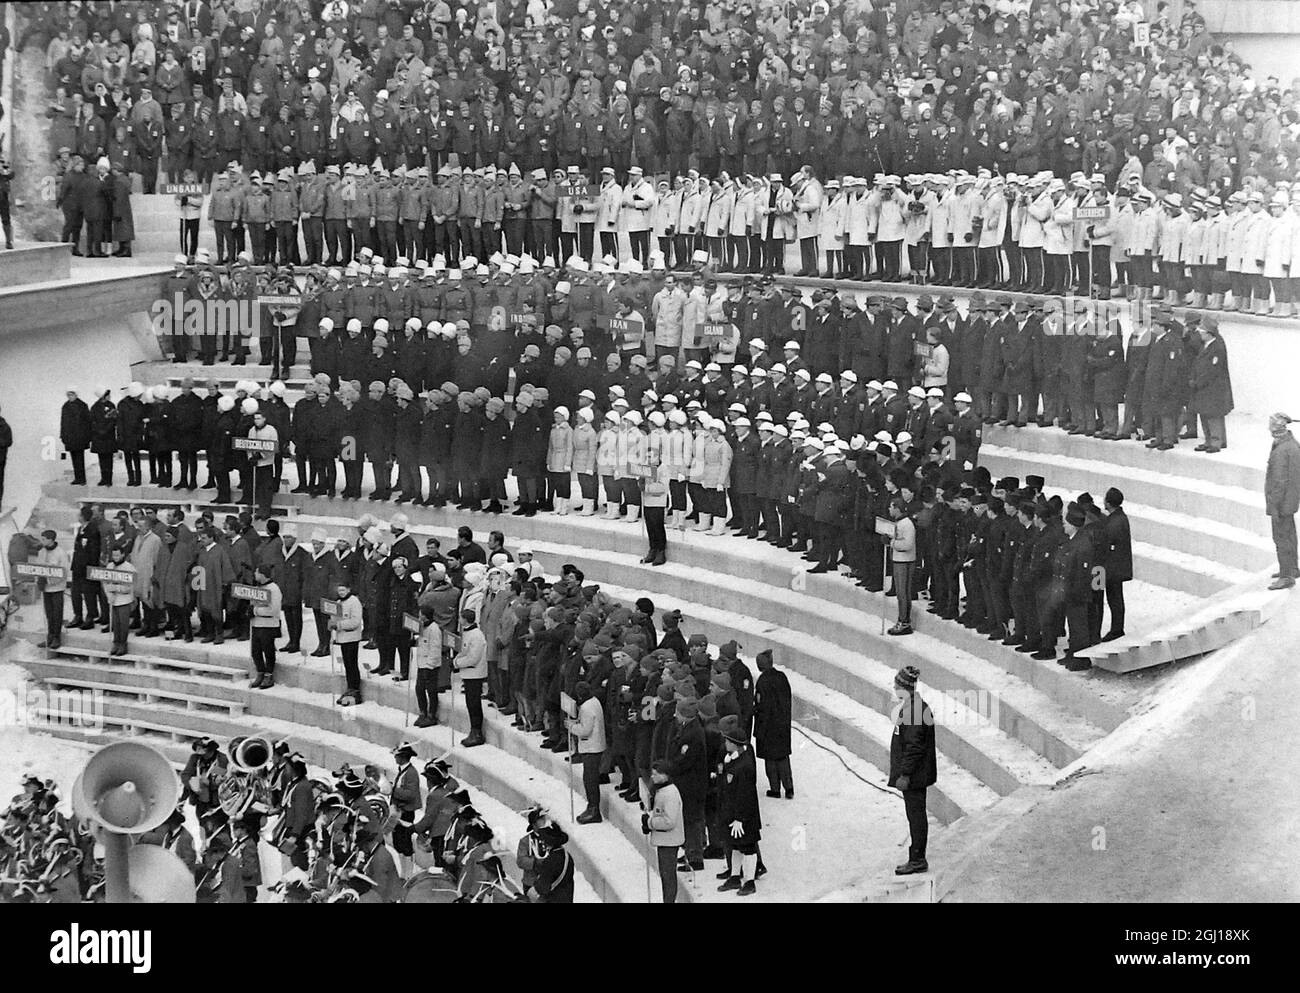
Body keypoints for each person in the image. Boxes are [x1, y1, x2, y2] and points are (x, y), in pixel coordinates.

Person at [889, 665, 937, 876]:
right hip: (916, 774)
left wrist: (905, 774)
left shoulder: (915, 711)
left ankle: (917, 858)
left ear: (904, 687)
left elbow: (914, 747)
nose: (893, 687)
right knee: (915, 815)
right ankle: (916, 856)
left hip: (914, 776)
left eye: (896, 684)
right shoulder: (913, 707)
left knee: (916, 816)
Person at [715, 714, 761, 896]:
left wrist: (740, 818)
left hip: (744, 816)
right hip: (731, 811)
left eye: (728, 741)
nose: (725, 744)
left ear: (734, 743)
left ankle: (749, 881)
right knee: (735, 845)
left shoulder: (744, 766)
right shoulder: (733, 759)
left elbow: (745, 795)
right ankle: (735, 876)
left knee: (748, 847)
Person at [639, 759, 684, 904]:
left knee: (668, 875)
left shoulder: (670, 794)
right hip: (665, 839)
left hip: (669, 841)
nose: (652, 777)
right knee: (666, 875)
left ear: (665, 776)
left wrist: (649, 823)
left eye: (656, 774)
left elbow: (669, 821)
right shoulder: (662, 791)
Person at [752, 648, 793, 799]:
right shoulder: (782, 677)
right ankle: (789, 788)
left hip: (768, 726)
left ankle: (775, 788)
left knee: (771, 759)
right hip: (782, 724)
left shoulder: (762, 682)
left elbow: (761, 705)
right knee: (783, 757)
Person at [1266, 413, 1300, 590]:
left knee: (1281, 538)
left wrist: (1274, 505)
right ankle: (1292, 568)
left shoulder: (1281, 451)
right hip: (1291, 499)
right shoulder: (1292, 444)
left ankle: (1286, 575)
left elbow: (1279, 482)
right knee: (1290, 535)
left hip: (1282, 502)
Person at [565, 679, 607, 825]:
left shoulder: (587, 708)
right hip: (595, 745)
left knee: (590, 780)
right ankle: (592, 807)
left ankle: (594, 809)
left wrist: (571, 727)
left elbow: (585, 731)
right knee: (590, 779)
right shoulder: (594, 701)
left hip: (591, 747)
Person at [453, 607, 487, 747]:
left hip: (474, 674)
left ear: (465, 619)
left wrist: (457, 663)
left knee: (474, 704)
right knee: (470, 703)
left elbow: (473, 658)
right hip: (468, 674)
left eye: (461, 617)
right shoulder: (467, 633)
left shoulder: (476, 635)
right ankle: (473, 730)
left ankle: (477, 732)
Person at [34, 529, 70, 650]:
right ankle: (49, 636)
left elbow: (63, 572)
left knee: (57, 613)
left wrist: (49, 580)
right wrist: (39, 580)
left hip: (57, 588)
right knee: (49, 613)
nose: (42, 541)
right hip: (46, 589)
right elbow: (38, 567)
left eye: (44, 539)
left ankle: (56, 637)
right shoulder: (41, 552)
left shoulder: (61, 553)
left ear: (51, 540)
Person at [330, 578, 364, 705]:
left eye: (343, 590)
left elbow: (355, 622)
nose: (341, 592)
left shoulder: (354, 601)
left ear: (349, 589)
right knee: (347, 665)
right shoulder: (339, 602)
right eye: (339, 590)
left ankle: (355, 690)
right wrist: (332, 622)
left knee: (352, 664)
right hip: (343, 638)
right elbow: (335, 617)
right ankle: (350, 687)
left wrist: (338, 625)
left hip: (352, 637)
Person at [249, 563, 283, 688]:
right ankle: (260, 672)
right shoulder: (257, 587)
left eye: (256, 572)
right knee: (255, 651)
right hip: (256, 624)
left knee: (268, 651)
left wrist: (255, 611)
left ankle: (269, 675)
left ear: (262, 574)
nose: (254, 574)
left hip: (268, 625)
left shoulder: (274, 589)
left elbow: (274, 610)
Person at [887, 496, 917, 636]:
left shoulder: (906, 524)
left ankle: (904, 621)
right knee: (901, 592)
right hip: (899, 560)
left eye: (891, 507)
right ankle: (902, 619)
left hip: (904, 561)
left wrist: (891, 542)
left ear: (897, 508)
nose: (889, 509)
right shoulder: (900, 522)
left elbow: (907, 545)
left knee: (903, 592)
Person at [102, 544, 136, 657]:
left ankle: (123, 644)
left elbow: (129, 587)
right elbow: (105, 582)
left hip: (124, 600)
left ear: (122, 555)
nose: (115, 557)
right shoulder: (110, 566)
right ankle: (115, 643)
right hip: (113, 600)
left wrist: (116, 588)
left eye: (117, 555)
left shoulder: (129, 567)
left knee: (123, 623)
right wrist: (108, 594)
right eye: (114, 555)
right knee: (115, 624)